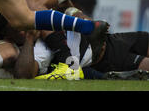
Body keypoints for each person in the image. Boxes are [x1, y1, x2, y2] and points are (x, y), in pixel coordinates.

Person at [13, 29, 149, 81]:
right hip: (106, 56)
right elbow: (24, 74)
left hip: (112, 38)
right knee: (144, 67)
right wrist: (29, 39)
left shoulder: (40, 19)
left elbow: (70, 11)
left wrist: (84, 19)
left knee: (144, 38)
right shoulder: (37, 50)